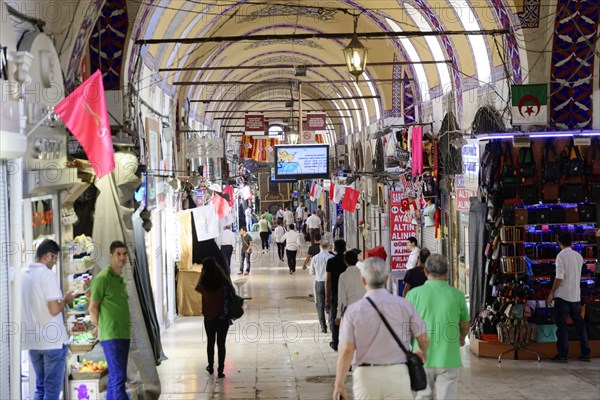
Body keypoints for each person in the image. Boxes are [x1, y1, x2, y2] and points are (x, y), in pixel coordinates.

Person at [332, 257, 429, 400]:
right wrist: (422, 351)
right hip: (398, 374)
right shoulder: (405, 305)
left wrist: (339, 383)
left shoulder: (353, 311)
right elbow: (423, 337)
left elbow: (347, 350)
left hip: (366, 377)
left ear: (363, 281)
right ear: (387, 279)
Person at [406, 254, 470, 400]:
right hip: (449, 357)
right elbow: (465, 323)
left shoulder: (413, 295)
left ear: (425, 272)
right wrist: (461, 338)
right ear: (447, 273)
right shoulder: (458, 295)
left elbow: (406, 326)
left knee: (422, 396)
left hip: (421, 357)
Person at [21, 239, 77, 400]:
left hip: (33, 342)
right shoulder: (46, 274)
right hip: (52, 342)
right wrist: (65, 300)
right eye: (54, 258)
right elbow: (54, 310)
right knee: (52, 391)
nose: (54, 263)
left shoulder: (23, 274)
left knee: (40, 387)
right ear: (47, 256)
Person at [89, 241, 132, 400]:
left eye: (124, 254)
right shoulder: (102, 279)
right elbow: (93, 308)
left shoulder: (121, 278)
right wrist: (98, 328)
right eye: (118, 254)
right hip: (111, 335)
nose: (122, 258)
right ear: (111, 255)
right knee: (118, 377)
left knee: (117, 377)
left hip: (123, 333)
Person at [547, 232, 591, 362]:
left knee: (562, 327)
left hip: (563, 297)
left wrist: (551, 293)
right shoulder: (578, 256)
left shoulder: (561, 256)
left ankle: (563, 354)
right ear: (571, 242)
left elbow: (559, 277)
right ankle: (585, 352)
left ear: (559, 242)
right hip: (576, 296)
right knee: (580, 325)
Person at [196, 257, 233, 378]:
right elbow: (231, 291)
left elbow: (197, 288)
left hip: (209, 317)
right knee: (221, 344)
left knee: (210, 342)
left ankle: (210, 365)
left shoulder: (204, 285)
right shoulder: (223, 282)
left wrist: (202, 274)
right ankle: (221, 369)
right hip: (222, 317)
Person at [308, 241, 334, 333]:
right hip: (330, 283)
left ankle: (323, 327)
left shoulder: (315, 258)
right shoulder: (331, 257)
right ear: (328, 247)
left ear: (320, 247)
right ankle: (332, 326)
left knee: (320, 305)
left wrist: (318, 274)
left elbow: (311, 272)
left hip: (319, 283)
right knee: (331, 304)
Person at [325, 239, 346, 351]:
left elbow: (328, 280)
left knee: (335, 318)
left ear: (335, 249)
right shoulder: (348, 261)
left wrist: (327, 299)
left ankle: (335, 342)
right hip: (348, 294)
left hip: (335, 293)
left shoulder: (331, 262)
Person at [336, 249, 365, 324]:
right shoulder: (364, 274)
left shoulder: (343, 276)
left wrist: (339, 316)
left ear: (345, 262)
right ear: (357, 260)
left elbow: (342, 298)